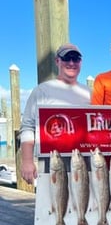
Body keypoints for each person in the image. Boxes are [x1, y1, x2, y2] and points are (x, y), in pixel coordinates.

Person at [20, 43, 91, 184]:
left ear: (81, 62)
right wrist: (27, 161)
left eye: (75, 59)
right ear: (57, 61)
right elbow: (28, 127)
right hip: (51, 161)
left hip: (84, 161)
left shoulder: (90, 93)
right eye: (66, 58)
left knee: (84, 204)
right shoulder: (42, 90)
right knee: (51, 204)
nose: (71, 63)